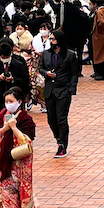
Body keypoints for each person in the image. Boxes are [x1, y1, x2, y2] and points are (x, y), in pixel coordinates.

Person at [0, 87, 37, 208]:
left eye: (11, 101)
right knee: (7, 193)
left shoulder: (26, 119)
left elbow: (27, 141)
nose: (8, 104)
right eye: (6, 101)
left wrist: (14, 128)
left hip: (21, 164)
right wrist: (5, 128)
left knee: (23, 193)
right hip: (5, 161)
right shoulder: (1, 116)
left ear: (19, 102)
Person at [39, 30, 79, 158]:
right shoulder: (46, 54)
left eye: (53, 39)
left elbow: (74, 73)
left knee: (61, 118)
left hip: (63, 90)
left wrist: (71, 89)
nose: (51, 41)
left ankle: (62, 145)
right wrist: (46, 73)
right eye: (50, 39)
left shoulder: (70, 55)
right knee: (51, 118)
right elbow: (40, 68)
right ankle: (57, 137)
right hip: (50, 90)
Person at [0, 41, 30, 118]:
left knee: (17, 118)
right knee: (0, 118)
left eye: (6, 57)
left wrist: (13, 79)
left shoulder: (19, 64)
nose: (4, 59)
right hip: (0, 96)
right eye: (2, 57)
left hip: (15, 95)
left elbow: (24, 80)